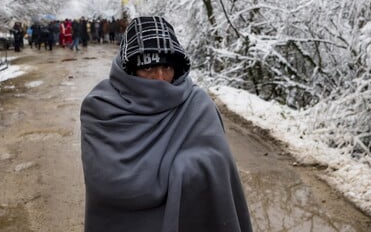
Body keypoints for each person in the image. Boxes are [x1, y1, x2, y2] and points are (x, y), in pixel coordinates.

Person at [80, 16, 252, 232]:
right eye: (149, 68)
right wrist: (174, 171)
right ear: (129, 70)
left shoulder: (197, 104)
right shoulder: (101, 107)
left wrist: (185, 168)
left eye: (167, 68)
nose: (160, 78)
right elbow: (107, 182)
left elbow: (219, 165)